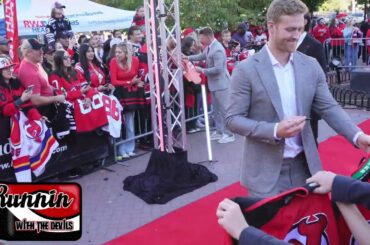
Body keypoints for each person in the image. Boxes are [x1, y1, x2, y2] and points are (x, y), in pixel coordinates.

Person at [225, 0, 370, 198]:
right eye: (290, 29)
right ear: (271, 27)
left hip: (307, 168)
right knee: (267, 230)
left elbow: (329, 107)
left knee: (308, 228)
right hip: (265, 175)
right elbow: (232, 119)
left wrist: (357, 136)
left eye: (300, 29)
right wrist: (275, 130)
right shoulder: (246, 70)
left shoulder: (310, 66)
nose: (296, 36)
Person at [185, 27, 235, 144]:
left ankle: (229, 133)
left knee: (224, 110)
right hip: (214, 83)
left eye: (202, 38)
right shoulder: (209, 47)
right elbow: (202, 56)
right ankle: (219, 131)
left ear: (208, 36)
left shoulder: (217, 49)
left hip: (221, 84)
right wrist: (188, 57)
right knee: (216, 110)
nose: (200, 41)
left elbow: (218, 69)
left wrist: (201, 70)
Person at [110, 43, 145, 159]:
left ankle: (130, 147)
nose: (117, 54)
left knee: (130, 122)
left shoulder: (135, 60)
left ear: (126, 53)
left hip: (131, 93)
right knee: (121, 123)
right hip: (119, 94)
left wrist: (134, 82)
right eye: (116, 52)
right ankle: (121, 149)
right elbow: (114, 81)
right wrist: (129, 82)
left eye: (119, 52)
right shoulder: (113, 62)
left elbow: (137, 76)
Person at [17, 39, 65, 110]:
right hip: (43, 111)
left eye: (41, 49)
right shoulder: (29, 72)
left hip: (48, 106)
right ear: (28, 53)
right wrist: (56, 98)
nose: (42, 52)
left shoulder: (35, 63)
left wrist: (54, 89)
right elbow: (36, 101)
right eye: (38, 50)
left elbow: (43, 85)